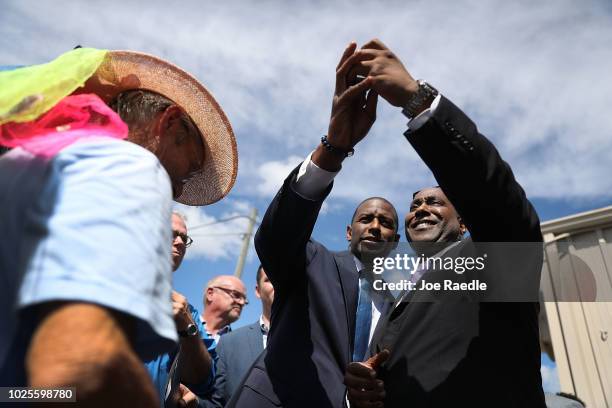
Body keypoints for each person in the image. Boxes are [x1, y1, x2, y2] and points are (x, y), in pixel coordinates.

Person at [0, 48, 237, 406]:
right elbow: (81, 370)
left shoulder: (34, 158)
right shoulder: (131, 166)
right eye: (188, 168)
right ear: (169, 122)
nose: (180, 190)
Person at [339, 39, 545, 407]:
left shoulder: (490, 256)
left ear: (465, 223)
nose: (420, 208)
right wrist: (366, 387)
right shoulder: (397, 296)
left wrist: (416, 100)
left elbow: (497, 199)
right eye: (414, 204)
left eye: (434, 202)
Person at [229, 40, 400, 407]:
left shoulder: (400, 303)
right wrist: (333, 150)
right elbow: (276, 238)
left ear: (396, 238)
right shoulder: (312, 262)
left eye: (385, 222)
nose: (374, 226)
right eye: (365, 219)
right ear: (347, 231)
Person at [144, 212, 217, 408]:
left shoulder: (187, 313)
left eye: (184, 238)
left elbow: (203, 381)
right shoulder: (99, 291)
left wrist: (187, 327)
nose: (180, 242)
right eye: (171, 234)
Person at [203, 265, 275, 407]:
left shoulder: (317, 340)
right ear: (258, 291)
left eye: (243, 298)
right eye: (270, 279)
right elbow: (215, 401)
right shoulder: (229, 343)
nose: (241, 302)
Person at [200, 275, 248, 343]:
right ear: (210, 294)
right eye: (236, 295)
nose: (242, 303)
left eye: (245, 300)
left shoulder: (239, 344)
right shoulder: (183, 325)